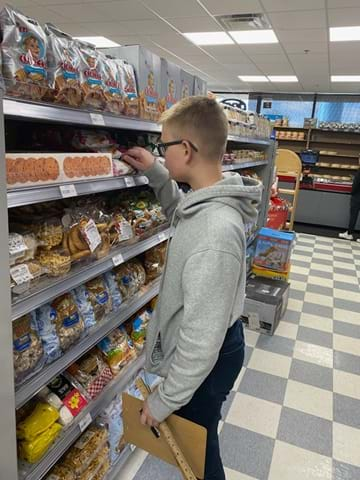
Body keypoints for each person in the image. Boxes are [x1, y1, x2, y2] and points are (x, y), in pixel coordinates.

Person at [123, 96, 263, 480]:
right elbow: (183, 215)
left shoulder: (217, 232)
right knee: (198, 442)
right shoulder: (208, 206)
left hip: (210, 359)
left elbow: (201, 339)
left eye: (163, 146)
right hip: (216, 350)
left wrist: (164, 399)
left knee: (198, 450)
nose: (161, 153)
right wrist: (156, 173)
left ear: (185, 149)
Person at [339, 164, 360, 242]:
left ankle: (349, 234)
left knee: (353, 216)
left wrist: (352, 192)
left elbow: (356, 184)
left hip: (357, 196)